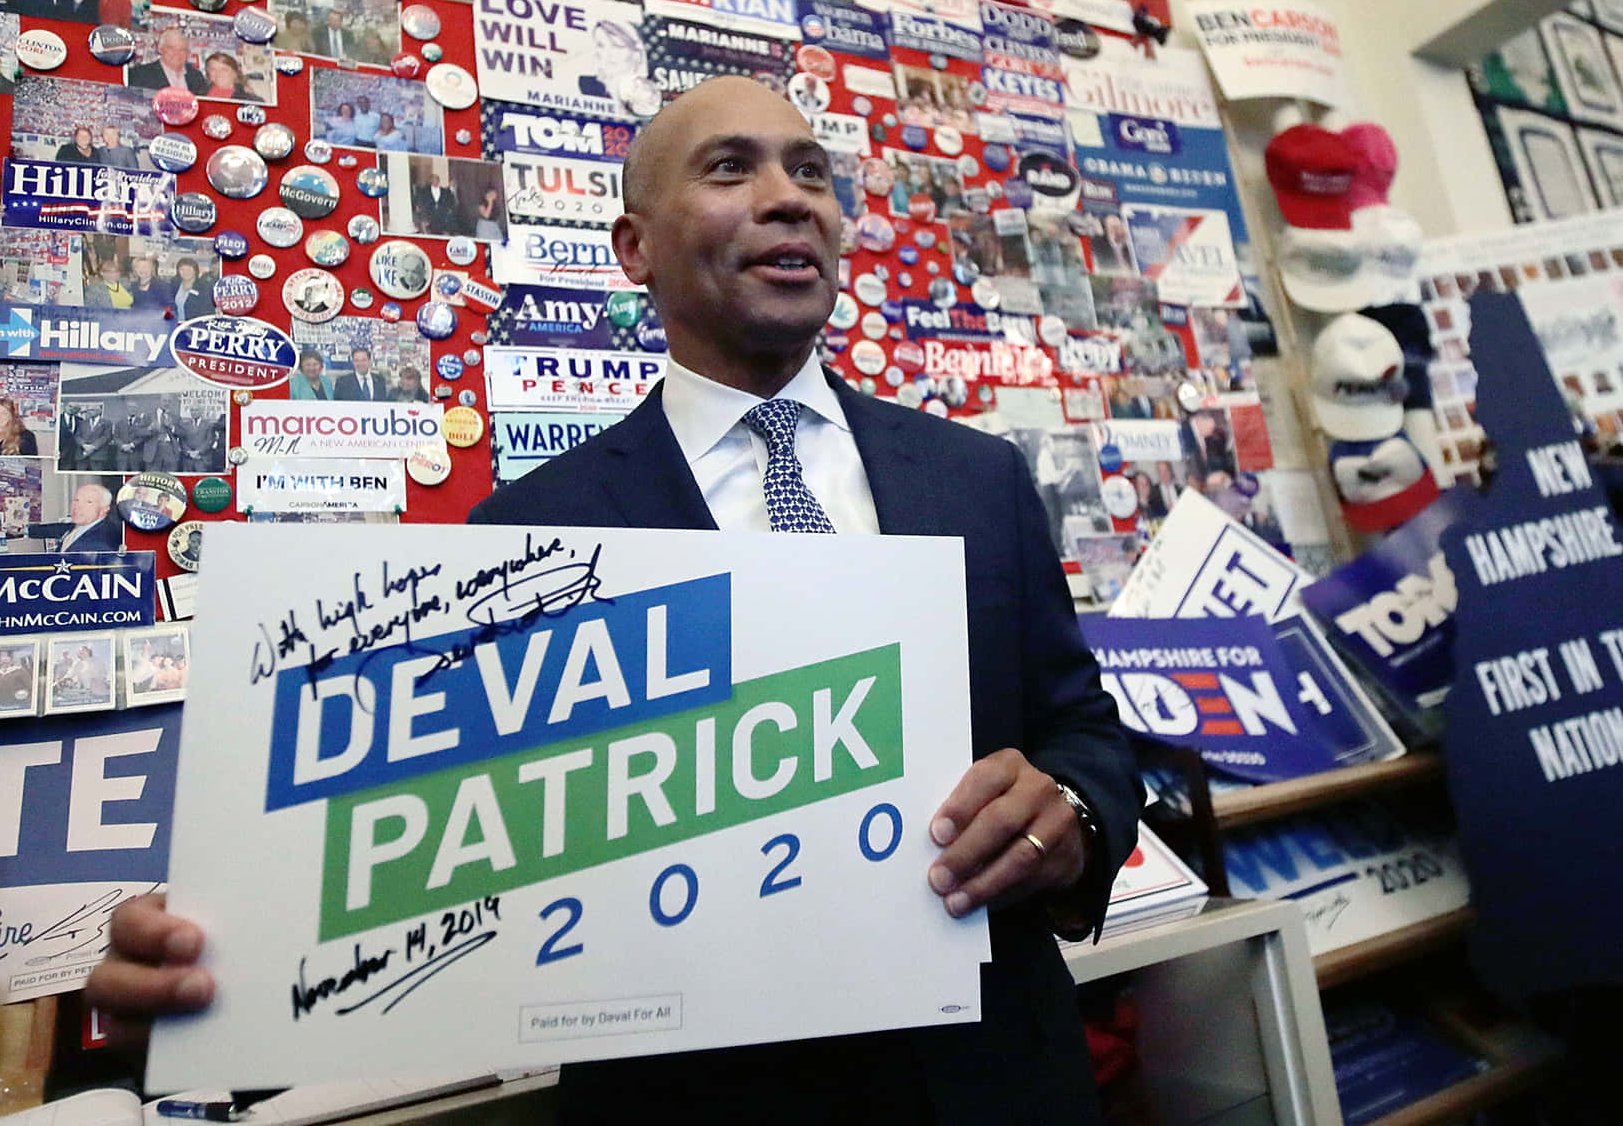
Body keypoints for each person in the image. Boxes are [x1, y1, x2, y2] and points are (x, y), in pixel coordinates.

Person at [89, 78, 1139, 1126]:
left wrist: (1074, 816)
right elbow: (451, 849)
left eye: (811, 171)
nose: (792, 198)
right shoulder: (525, 537)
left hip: (999, 1078)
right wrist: (216, 983)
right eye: (733, 168)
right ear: (633, 249)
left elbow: (1084, 730)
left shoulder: (979, 479)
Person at [127, 28, 209, 94]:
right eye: (171, 48)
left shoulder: (196, 76)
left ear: (188, 53)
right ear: (160, 49)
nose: (177, 53)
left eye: (183, 49)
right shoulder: (140, 74)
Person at [59, 482, 123, 553]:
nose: (77, 506)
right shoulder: (81, 525)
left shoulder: (103, 543)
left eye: (89, 502)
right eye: (76, 500)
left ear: (104, 509)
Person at [410, 162, 461, 235]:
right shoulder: (424, 191)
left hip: (442, 217)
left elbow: (451, 201)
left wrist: (447, 210)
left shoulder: (445, 191)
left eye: (437, 179)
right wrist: (423, 213)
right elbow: (419, 201)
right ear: (431, 181)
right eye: (434, 179)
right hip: (429, 216)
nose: (436, 181)